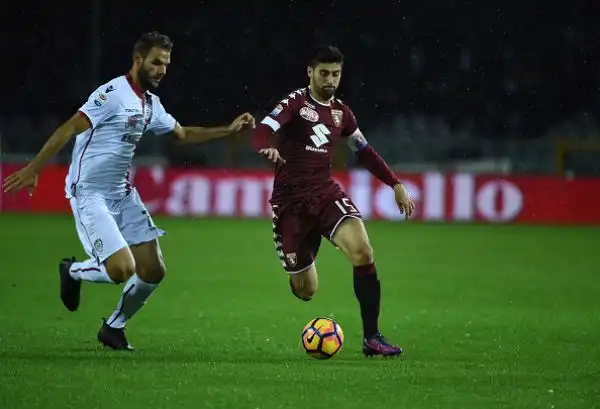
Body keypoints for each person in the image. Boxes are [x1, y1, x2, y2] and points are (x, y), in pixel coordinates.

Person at [2, 31, 255, 351]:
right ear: (138, 60)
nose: (162, 69)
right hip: (89, 192)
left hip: (122, 193)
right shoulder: (112, 94)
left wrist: (228, 130)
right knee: (121, 268)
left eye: (166, 63)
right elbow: (69, 127)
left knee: (153, 270)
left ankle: (113, 327)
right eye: (156, 62)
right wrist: (35, 168)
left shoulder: (151, 104)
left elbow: (182, 133)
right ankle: (74, 270)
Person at [250, 45, 414, 357]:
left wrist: (394, 183)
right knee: (306, 290)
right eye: (323, 73)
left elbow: (364, 151)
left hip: (325, 194)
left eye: (335, 74)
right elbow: (263, 130)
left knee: (363, 252)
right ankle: (297, 264)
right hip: (291, 203)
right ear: (309, 72)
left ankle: (372, 338)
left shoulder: (342, 113)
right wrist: (265, 147)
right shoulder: (295, 103)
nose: (330, 79)